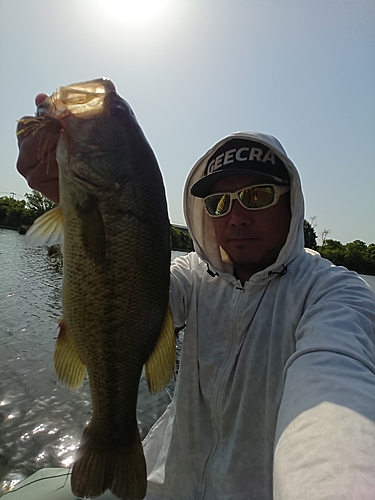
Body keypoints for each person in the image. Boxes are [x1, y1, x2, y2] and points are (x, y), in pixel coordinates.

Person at [17, 104, 375, 500]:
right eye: (219, 203)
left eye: (256, 195)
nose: (235, 216)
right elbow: (129, 294)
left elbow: (334, 403)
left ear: (291, 204)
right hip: (168, 484)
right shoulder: (191, 275)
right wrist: (84, 205)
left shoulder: (336, 295)